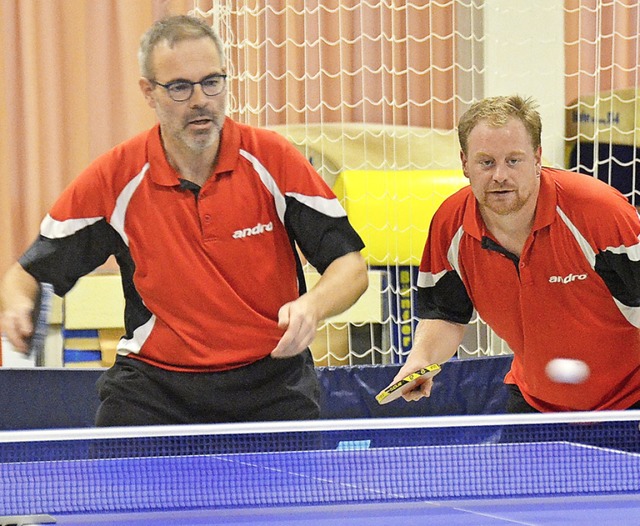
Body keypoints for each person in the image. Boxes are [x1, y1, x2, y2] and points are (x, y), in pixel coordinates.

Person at [0, 15, 368, 426]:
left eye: (212, 81)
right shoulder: (115, 179)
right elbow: (25, 275)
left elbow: (351, 267)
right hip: (155, 390)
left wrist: (312, 306)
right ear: (149, 92)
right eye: (179, 87)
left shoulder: (273, 160)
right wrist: (16, 305)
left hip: (271, 383)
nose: (200, 100)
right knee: (110, 488)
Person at [392, 94, 640, 413]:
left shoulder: (599, 213)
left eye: (513, 160)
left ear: (537, 159)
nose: (499, 176)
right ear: (465, 163)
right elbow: (445, 313)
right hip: (536, 402)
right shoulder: (449, 224)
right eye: (486, 162)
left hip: (629, 401)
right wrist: (421, 358)